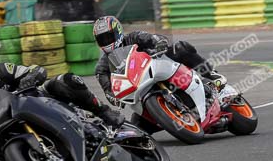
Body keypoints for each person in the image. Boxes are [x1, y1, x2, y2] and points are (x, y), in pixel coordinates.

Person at [0, 49, 125, 130]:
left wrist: (29, 80)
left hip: (39, 102)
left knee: (65, 81)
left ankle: (104, 112)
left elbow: (34, 70)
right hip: (12, 125)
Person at [92, 16, 225, 105]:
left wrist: (158, 42)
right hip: (140, 90)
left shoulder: (133, 37)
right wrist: (112, 97)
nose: (106, 42)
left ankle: (210, 73)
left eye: (109, 37)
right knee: (137, 126)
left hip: (159, 66)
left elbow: (151, 38)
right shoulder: (102, 67)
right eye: (102, 40)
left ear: (118, 31)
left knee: (181, 47)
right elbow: (108, 89)